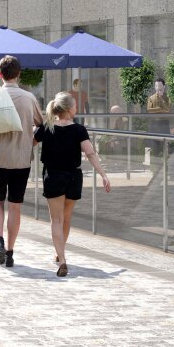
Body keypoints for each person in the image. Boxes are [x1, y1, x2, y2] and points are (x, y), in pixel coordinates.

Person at [0, 57, 44, 268]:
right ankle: (10, 252)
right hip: (21, 161)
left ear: (0, 74)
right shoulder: (28, 98)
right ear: (19, 74)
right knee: (15, 206)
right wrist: (29, 142)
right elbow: (42, 126)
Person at [37, 92, 110, 277]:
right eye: (75, 106)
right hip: (73, 177)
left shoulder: (47, 127)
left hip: (53, 176)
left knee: (56, 220)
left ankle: (61, 259)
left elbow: (28, 143)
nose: (77, 109)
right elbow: (91, 153)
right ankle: (59, 253)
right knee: (67, 218)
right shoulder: (79, 130)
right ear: (69, 109)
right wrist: (103, 174)